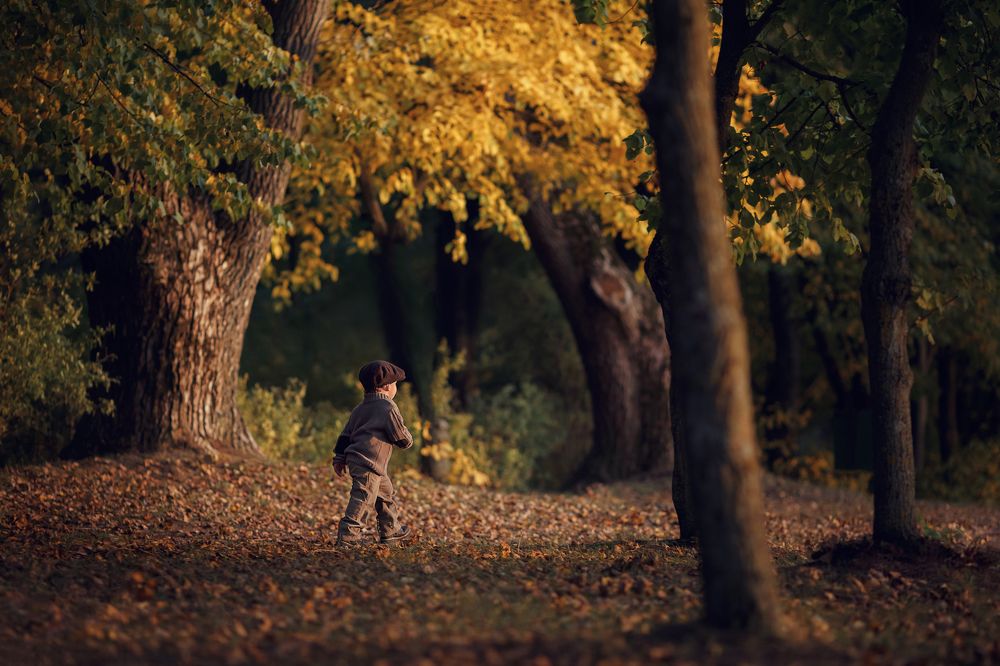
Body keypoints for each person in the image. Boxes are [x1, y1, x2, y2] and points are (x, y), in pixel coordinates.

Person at [332, 360, 414, 546]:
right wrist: (407, 441)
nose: (395, 388)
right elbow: (399, 434)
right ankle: (348, 537)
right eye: (395, 384)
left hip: (362, 461)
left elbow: (345, 435)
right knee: (363, 498)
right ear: (387, 386)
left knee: (385, 494)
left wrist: (339, 458)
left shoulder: (360, 408)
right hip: (368, 463)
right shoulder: (388, 407)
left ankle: (391, 530)